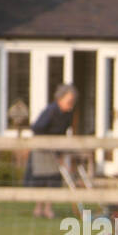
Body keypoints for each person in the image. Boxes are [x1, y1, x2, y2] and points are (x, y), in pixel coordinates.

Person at [24, 84, 78, 218]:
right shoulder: (51, 110)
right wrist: (47, 143)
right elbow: (37, 127)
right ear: (60, 98)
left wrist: (59, 153)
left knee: (53, 180)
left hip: (55, 149)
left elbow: (63, 133)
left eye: (72, 102)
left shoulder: (68, 114)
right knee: (40, 180)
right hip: (42, 149)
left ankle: (48, 209)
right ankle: (38, 208)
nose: (71, 105)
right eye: (69, 101)